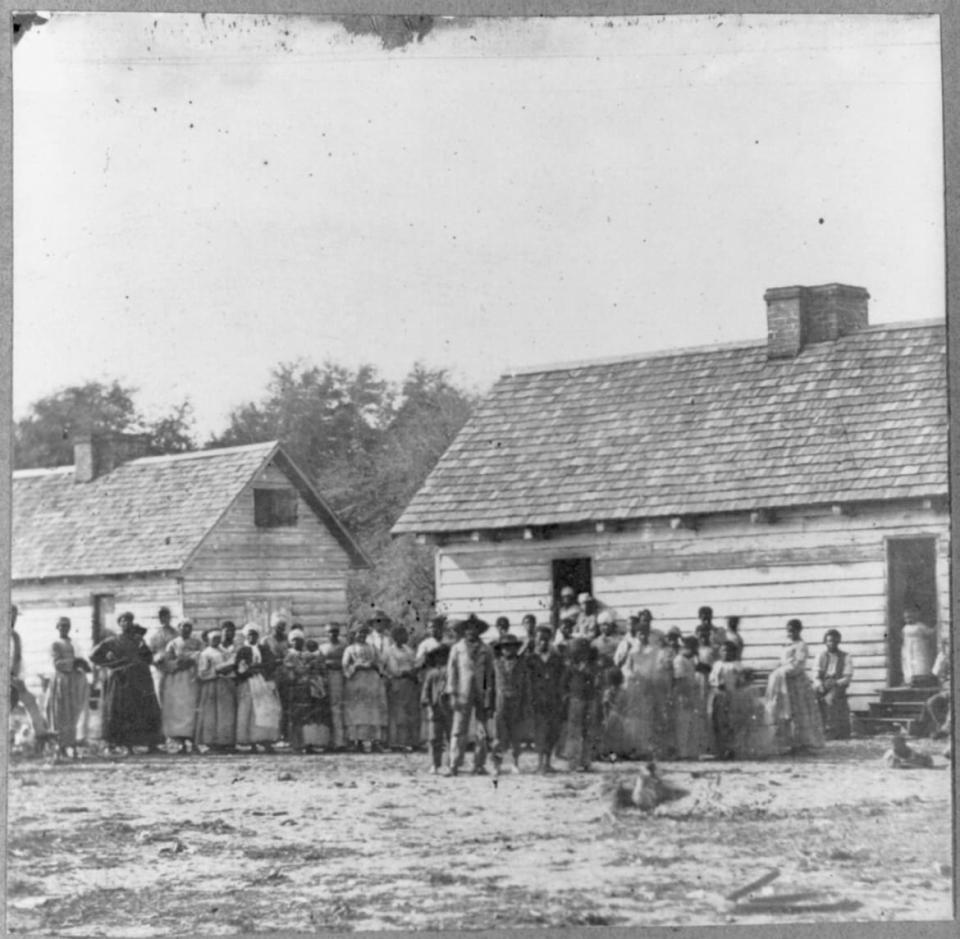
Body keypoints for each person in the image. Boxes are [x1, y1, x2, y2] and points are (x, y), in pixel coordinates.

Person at [89, 613, 164, 754]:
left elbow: (148, 658)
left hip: (141, 680)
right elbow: (93, 655)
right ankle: (126, 745)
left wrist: (144, 649)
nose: (127, 623)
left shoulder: (138, 639)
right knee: (125, 711)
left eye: (129, 621)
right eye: (123, 621)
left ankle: (151, 744)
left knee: (146, 710)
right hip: (122, 680)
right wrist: (110, 663)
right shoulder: (112, 641)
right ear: (119, 624)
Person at [446, 614, 497, 776]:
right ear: (463, 631)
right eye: (467, 629)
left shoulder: (486, 649)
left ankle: (479, 764)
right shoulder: (457, 648)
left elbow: (490, 675)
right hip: (462, 692)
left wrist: (489, 695)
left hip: (481, 692)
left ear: (479, 631)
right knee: (458, 728)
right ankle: (454, 764)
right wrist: (452, 693)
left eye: (474, 629)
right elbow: (451, 672)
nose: (471, 632)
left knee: (481, 729)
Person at [765, 619, 825, 752]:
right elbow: (783, 662)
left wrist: (781, 672)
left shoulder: (801, 645)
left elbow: (798, 665)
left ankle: (804, 743)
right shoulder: (787, 645)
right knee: (786, 712)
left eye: (793, 631)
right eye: (788, 631)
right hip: (784, 683)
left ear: (799, 630)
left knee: (800, 712)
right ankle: (790, 743)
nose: (790, 633)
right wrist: (777, 670)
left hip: (796, 683)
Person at [614, 609, 666, 758]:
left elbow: (656, 666)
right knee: (634, 716)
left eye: (645, 634)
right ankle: (633, 747)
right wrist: (634, 677)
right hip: (634, 684)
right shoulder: (632, 649)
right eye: (640, 634)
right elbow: (627, 667)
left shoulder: (652, 649)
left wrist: (651, 678)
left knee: (648, 716)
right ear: (636, 635)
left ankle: (646, 748)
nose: (643, 636)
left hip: (649, 684)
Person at [231, 624, 281, 753]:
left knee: (266, 710)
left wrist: (261, 668)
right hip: (248, 682)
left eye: (255, 634)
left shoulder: (264, 649)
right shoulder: (242, 650)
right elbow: (238, 668)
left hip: (263, 682)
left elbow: (271, 663)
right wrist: (249, 670)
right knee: (249, 711)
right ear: (246, 636)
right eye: (250, 634)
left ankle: (266, 740)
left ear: (258, 636)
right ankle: (250, 742)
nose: (252, 637)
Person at [46, 617, 91, 759]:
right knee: (60, 712)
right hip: (61, 680)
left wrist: (81, 664)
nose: (64, 628)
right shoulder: (55, 644)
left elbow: (79, 660)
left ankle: (70, 744)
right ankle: (60, 746)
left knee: (72, 713)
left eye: (66, 626)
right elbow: (57, 664)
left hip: (73, 681)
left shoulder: (73, 643)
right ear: (57, 627)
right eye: (61, 626)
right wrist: (73, 662)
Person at [157, 619, 202, 753]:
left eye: (189, 626)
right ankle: (180, 741)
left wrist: (193, 661)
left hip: (192, 677)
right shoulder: (173, 643)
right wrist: (179, 663)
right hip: (176, 679)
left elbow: (202, 657)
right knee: (178, 708)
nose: (186, 629)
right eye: (183, 626)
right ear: (179, 628)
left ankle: (192, 740)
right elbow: (167, 661)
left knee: (192, 706)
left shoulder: (197, 643)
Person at [526, 624, 566, 774]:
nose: (543, 643)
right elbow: (527, 681)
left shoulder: (556, 659)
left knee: (552, 731)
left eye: (546, 640)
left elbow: (561, 679)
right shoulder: (531, 659)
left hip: (553, 699)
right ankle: (540, 763)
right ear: (535, 640)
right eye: (540, 640)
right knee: (540, 731)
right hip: (537, 700)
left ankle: (548, 762)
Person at [342, 624, 386, 752]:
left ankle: (374, 741)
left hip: (371, 681)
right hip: (356, 681)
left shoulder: (372, 648)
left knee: (372, 710)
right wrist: (356, 666)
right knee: (357, 711)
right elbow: (345, 665)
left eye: (364, 634)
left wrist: (374, 665)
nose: (361, 636)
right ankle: (357, 741)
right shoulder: (350, 649)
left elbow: (380, 662)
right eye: (359, 633)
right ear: (354, 635)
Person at [492, 632, 530, 773]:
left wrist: (526, 704)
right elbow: (490, 685)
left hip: (517, 701)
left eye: (512, 647)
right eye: (505, 647)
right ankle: (497, 764)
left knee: (516, 734)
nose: (508, 650)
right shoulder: (495, 664)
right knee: (498, 736)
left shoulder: (521, 664)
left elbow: (526, 685)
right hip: (500, 702)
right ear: (501, 649)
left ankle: (515, 762)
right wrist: (489, 704)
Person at [562, 638, 601, 772]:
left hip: (590, 699)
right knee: (574, 731)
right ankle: (573, 761)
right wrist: (566, 695)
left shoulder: (593, 666)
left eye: (585, 652)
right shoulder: (570, 667)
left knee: (588, 731)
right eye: (579, 652)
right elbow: (564, 683)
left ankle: (586, 761)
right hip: (576, 699)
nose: (582, 655)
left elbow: (598, 681)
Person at [195, 628, 236, 751]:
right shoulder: (205, 653)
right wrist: (216, 670)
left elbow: (231, 664)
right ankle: (211, 742)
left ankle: (225, 741)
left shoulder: (225, 651)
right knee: (211, 714)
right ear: (208, 640)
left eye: (218, 638)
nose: (216, 641)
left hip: (225, 684)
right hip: (211, 685)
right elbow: (202, 673)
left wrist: (229, 668)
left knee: (225, 713)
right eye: (214, 639)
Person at [384, 625, 420, 750]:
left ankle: (412, 741)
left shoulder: (408, 650)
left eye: (406, 634)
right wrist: (407, 673)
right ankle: (397, 742)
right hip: (398, 682)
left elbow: (415, 663)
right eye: (403, 634)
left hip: (410, 683)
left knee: (412, 712)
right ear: (396, 637)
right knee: (399, 713)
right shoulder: (390, 651)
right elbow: (394, 669)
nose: (406, 637)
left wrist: (415, 672)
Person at [814, 629, 854, 740]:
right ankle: (817, 729)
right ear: (825, 642)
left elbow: (847, 677)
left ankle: (832, 730)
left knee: (830, 699)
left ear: (838, 641)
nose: (831, 643)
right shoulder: (821, 656)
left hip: (838, 684)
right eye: (829, 641)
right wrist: (819, 685)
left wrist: (835, 683)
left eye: (834, 641)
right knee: (812, 697)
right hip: (824, 683)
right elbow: (816, 675)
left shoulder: (846, 656)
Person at [420, 644, 452, 774]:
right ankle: (435, 763)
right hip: (435, 708)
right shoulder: (431, 674)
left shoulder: (451, 672)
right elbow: (426, 691)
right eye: (438, 657)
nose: (441, 659)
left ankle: (451, 763)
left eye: (444, 656)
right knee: (434, 738)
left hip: (450, 708)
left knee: (451, 737)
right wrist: (427, 703)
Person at [673, 636, 706, 759]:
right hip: (684, 694)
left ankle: (691, 752)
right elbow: (680, 680)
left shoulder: (691, 659)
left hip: (692, 693)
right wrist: (685, 696)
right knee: (683, 724)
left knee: (692, 724)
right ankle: (683, 753)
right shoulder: (679, 660)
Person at [319, 623, 347, 749]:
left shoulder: (343, 647)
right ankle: (326, 740)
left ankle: (340, 741)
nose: (333, 634)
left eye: (335, 631)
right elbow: (319, 662)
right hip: (325, 677)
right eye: (330, 631)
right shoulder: (322, 647)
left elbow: (346, 662)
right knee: (325, 708)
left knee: (337, 707)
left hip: (338, 676)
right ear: (326, 633)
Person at [923, 636, 951, 740]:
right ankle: (943, 727)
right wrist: (942, 658)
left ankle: (946, 730)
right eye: (947, 645)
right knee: (931, 702)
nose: (949, 647)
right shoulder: (944, 657)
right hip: (947, 690)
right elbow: (936, 673)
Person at [148, 606, 179, 698]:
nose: (163, 619)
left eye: (166, 616)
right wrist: (155, 658)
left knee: (174, 694)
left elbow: (180, 650)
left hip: (174, 668)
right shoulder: (154, 635)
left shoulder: (176, 634)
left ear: (169, 617)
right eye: (161, 616)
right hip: (160, 668)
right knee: (160, 692)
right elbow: (150, 652)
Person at [901, 606, 937, 685]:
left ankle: (921, 679)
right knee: (909, 662)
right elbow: (903, 637)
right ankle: (910, 680)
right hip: (908, 648)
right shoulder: (905, 628)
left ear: (915, 617)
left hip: (919, 647)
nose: (908, 620)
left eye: (910, 617)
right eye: (906, 618)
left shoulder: (920, 626)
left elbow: (929, 632)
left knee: (920, 662)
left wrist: (935, 628)